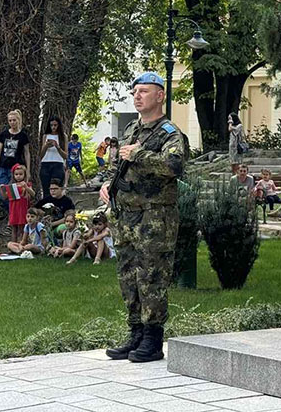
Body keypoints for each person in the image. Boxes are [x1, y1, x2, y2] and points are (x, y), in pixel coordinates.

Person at [99, 72, 186, 363]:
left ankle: (153, 338)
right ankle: (135, 332)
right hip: (127, 217)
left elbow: (174, 165)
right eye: (135, 91)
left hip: (155, 218)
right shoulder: (132, 130)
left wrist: (140, 155)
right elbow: (119, 166)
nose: (137, 96)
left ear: (160, 96)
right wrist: (107, 184)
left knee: (152, 275)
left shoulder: (169, 133)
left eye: (144, 91)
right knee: (128, 276)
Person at [0, 110, 31, 197]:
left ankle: (12, 210)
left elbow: (27, 153)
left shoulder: (23, 136)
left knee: (14, 192)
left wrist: (28, 169)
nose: (12, 122)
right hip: (2, 166)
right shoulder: (4, 134)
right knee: (2, 192)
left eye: (14, 120)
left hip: (16, 168)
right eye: (10, 120)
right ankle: (7, 208)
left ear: (18, 120)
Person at [3, 164, 34, 247]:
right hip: (13, 209)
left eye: (21, 174)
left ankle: (23, 244)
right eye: (16, 174)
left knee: (22, 227)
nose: (18, 176)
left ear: (24, 175)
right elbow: (5, 197)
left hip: (22, 208)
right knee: (14, 227)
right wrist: (1, 189)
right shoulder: (12, 186)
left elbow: (33, 194)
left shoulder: (27, 184)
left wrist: (26, 187)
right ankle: (13, 245)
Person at [39, 117, 67, 194]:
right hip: (45, 164)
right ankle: (47, 205)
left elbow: (65, 156)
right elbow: (41, 155)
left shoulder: (63, 136)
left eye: (55, 125)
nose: (53, 127)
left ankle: (56, 205)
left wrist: (57, 147)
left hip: (58, 164)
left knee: (56, 189)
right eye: (51, 125)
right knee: (46, 189)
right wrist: (46, 146)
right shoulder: (45, 136)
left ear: (59, 125)